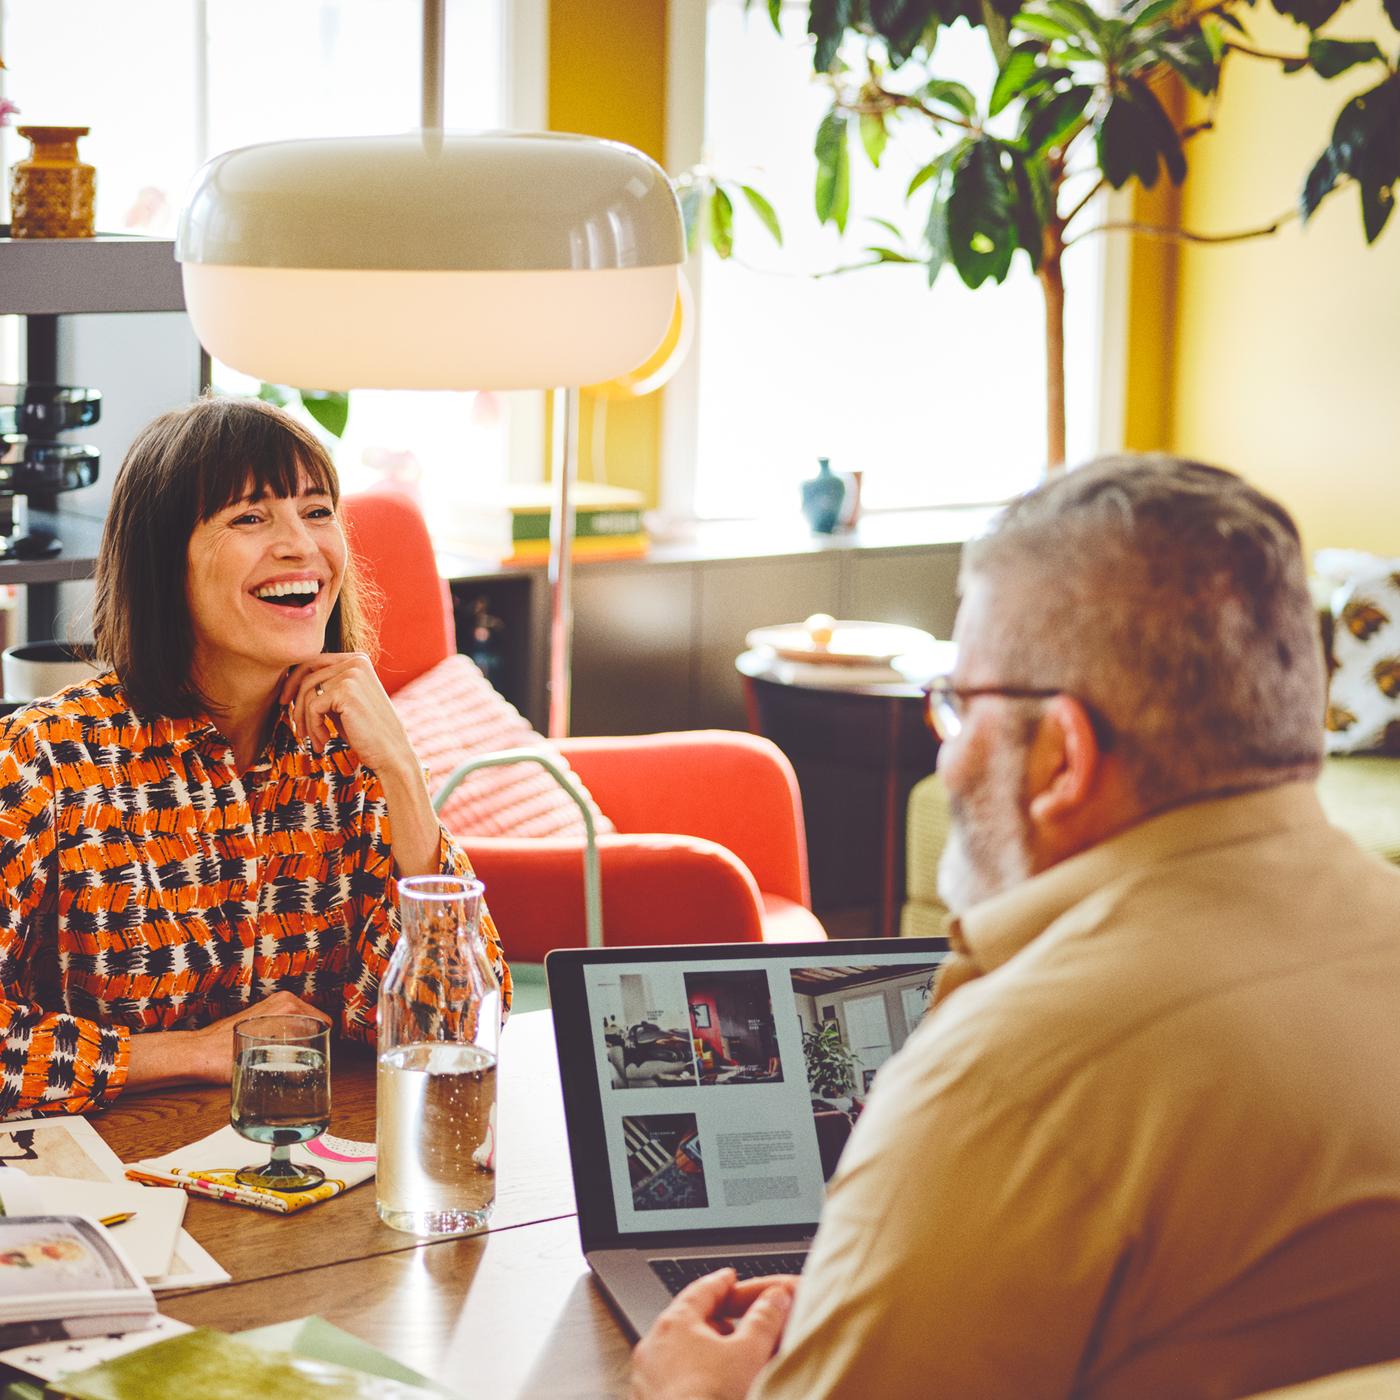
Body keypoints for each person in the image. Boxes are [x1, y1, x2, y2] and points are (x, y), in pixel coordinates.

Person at [631, 455, 1400, 1400]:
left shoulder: (1007, 1083)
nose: (946, 752)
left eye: (959, 703)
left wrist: (688, 1392)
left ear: (1064, 757)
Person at [0, 396, 511, 1119]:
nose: (300, 545)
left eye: (317, 511)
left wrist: (402, 773)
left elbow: (452, 1033)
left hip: (312, 1190)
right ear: (162, 559)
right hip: (109, 1198)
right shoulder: (47, 761)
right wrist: (196, 1051)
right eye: (250, 517)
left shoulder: (352, 761)